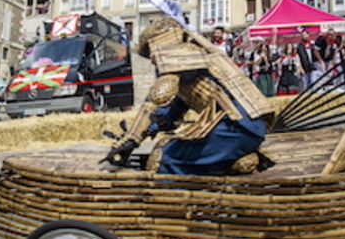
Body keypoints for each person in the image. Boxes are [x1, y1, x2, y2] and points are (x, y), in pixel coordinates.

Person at [104, 17, 274, 175]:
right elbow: (168, 114)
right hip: (251, 129)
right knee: (177, 149)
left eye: (151, 52)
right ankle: (236, 162)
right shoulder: (198, 64)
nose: (152, 60)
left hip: (232, 127)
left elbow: (158, 97)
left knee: (162, 159)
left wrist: (132, 139)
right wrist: (142, 134)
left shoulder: (186, 57)